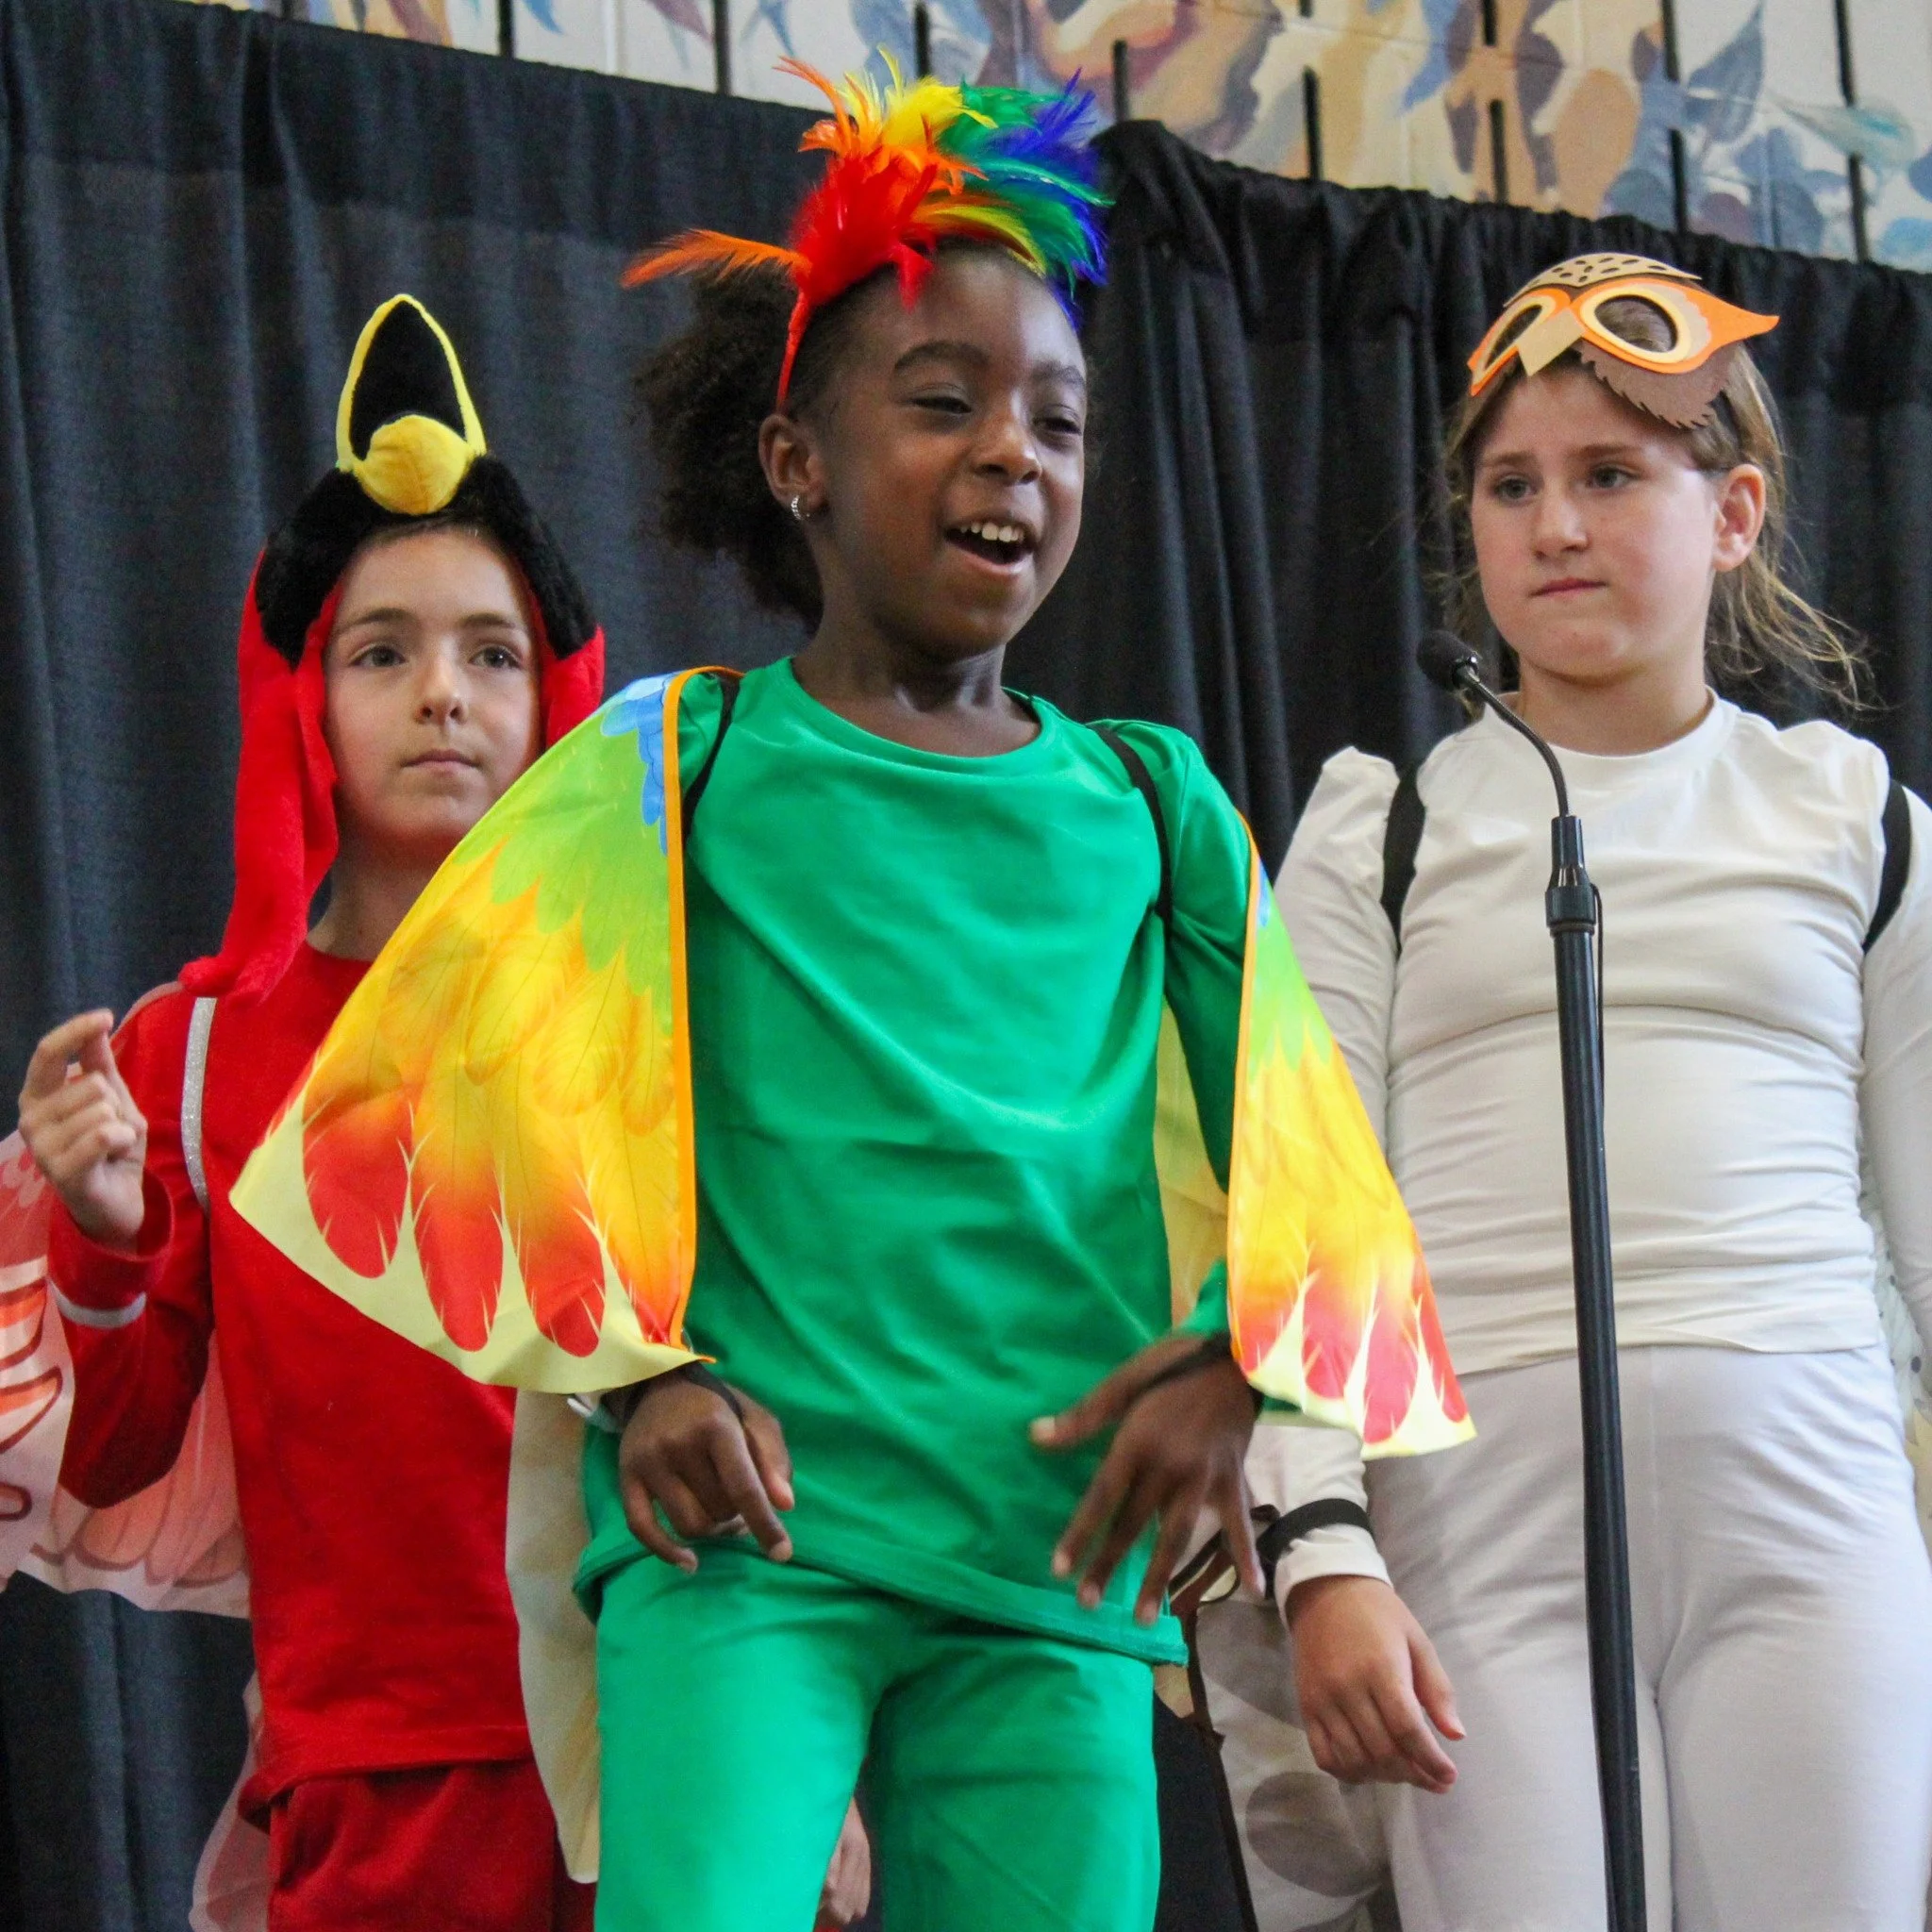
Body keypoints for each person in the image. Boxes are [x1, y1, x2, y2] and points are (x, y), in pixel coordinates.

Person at [226, 61, 1465, 1932]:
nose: (1010, 456)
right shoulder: (673, 764)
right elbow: (460, 1093)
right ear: (796, 460)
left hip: (1049, 1573)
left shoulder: (1153, 802)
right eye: (943, 403)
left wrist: (1230, 1369)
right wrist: (626, 1375)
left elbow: (1306, 1149)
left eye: (1056, 420)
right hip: (748, 1557)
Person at [1268, 253, 1932, 1930]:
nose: (1553, 526)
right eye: (1512, 485)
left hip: (1816, 1523)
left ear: (1735, 511)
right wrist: (1324, 1548)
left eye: (1611, 474)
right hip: (1477, 1531)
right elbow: (1304, 1219)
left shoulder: (1864, 826)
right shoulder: (1381, 835)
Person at [15, 295, 612, 1932]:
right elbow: (128, 1442)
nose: (444, 694)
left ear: (551, 695)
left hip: (669, 1746)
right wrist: (106, 1240)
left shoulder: (638, 1021)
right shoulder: (198, 1053)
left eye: (492, 651)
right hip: (378, 1781)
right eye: (384, 649)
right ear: (303, 701)